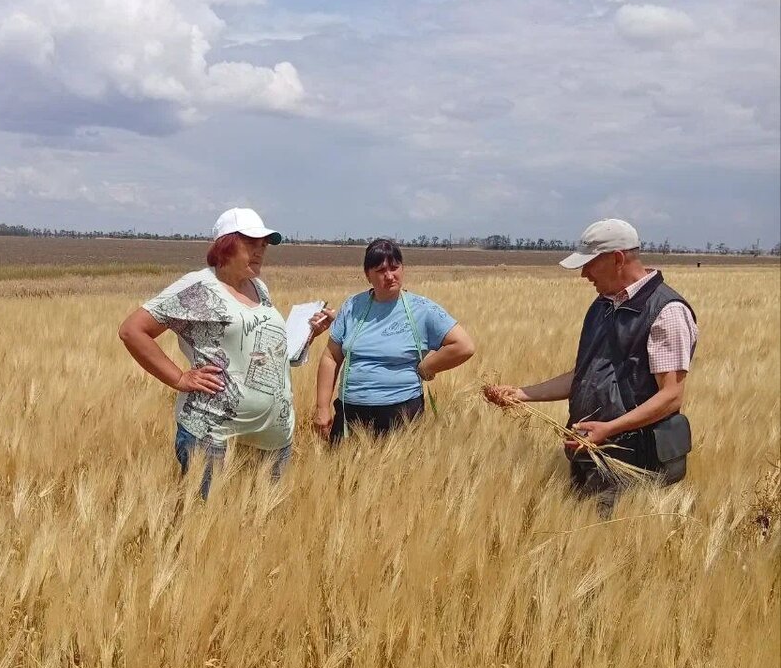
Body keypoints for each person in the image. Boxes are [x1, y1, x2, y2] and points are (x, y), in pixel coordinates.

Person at [118, 207, 333, 496]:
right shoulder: (200, 288)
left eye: (263, 245)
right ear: (225, 246)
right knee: (207, 524)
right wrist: (180, 379)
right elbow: (133, 330)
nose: (260, 252)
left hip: (271, 437)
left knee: (260, 530)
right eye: (251, 244)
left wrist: (308, 335)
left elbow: (267, 352)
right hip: (212, 437)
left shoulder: (258, 287)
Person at [485, 218, 698, 507]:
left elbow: (670, 396)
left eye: (590, 264)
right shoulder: (602, 306)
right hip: (589, 452)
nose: (584, 273)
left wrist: (609, 429)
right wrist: (522, 394)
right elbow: (585, 375)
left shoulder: (666, 311)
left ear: (618, 259)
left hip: (634, 462)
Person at [313, 237, 475, 441]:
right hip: (351, 411)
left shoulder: (423, 309)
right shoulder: (352, 306)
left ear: (403, 269)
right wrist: (322, 407)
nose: (389, 276)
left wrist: (426, 368)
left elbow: (464, 346)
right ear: (367, 275)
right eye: (380, 270)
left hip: (401, 412)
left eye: (394, 267)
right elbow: (331, 357)